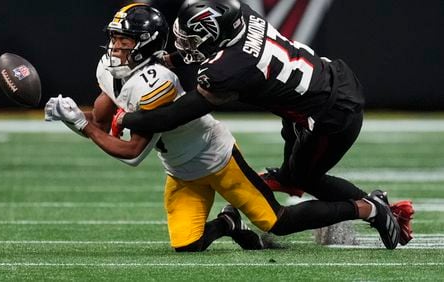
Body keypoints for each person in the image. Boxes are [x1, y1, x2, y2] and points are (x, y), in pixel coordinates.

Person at [114, 0, 414, 249]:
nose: (185, 45)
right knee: (297, 175)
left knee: (302, 180)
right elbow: (220, 47)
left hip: (329, 112)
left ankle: (373, 209)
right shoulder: (242, 14)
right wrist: (175, 58)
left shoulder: (227, 70)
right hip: (321, 85)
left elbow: (174, 115)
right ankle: (370, 202)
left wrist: (125, 117)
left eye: (191, 40)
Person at [45, 3, 280, 252]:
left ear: (146, 43)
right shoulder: (108, 68)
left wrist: (83, 125)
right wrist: (71, 117)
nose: (115, 46)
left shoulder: (157, 82)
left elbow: (132, 152)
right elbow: (99, 125)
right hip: (180, 169)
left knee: (273, 221)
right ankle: (229, 223)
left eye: (124, 40)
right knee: (187, 244)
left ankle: (304, 195)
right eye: (114, 37)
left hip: (215, 157)